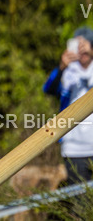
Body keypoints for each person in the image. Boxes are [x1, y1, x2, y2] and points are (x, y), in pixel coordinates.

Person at [44, 26, 93, 183]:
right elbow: (49, 89)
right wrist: (61, 68)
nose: (82, 51)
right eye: (78, 46)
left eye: (86, 46)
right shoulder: (67, 73)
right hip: (74, 149)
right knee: (80, 202)